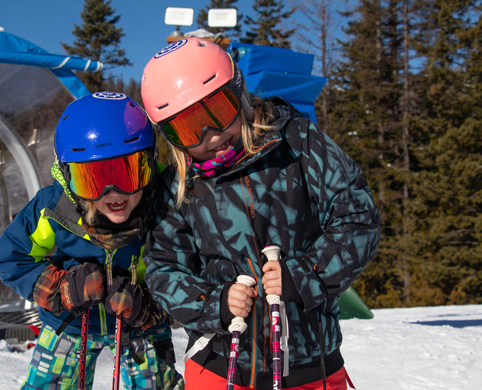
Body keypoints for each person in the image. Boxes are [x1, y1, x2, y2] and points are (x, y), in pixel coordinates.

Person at [139, 37, 381, 390]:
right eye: (190, 128)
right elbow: (162, 268)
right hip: (221, 364)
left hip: (310, 364)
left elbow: (358, 216)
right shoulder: (178, 186)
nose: (212, 134)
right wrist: (214, 303)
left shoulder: (296, 143)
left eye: (218, 111)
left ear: (239, 93)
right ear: (171, 137)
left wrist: (304, 275)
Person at [0, 92, 184, 390]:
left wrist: (151, 304)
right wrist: (61, 289)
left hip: (140, 324)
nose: (114, 193)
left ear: (150, 162)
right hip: (69, 322)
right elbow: (12, 257)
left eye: (127, 172)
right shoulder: (55, 208)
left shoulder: (166, 206)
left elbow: (188, 271)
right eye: (93, 179)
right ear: (69, 178)